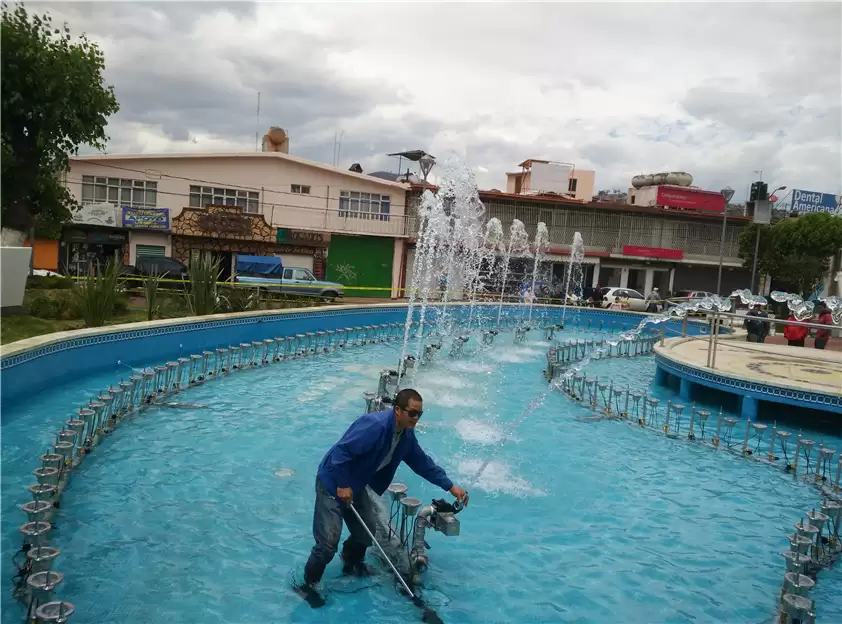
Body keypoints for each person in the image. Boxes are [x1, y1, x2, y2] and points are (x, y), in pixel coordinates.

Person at [296, 388, 468, 605]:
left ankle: (351, 562)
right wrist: (342, 485)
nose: (416, 418)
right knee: (328, 543)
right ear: (398, 410)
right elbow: (341, 453)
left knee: (366, 531)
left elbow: (421, 462)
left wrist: (450, 487)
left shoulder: (405, 435)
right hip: (333, 482)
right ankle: (308, 585)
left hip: (356, 485)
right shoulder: (375, 426)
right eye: (412, 413)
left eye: (419, 414)